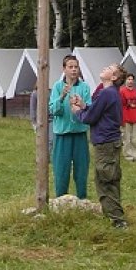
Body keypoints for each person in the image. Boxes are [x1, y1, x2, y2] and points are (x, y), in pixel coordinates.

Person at [71, 63, 127, 228]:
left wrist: (77, 112)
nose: (104, 68)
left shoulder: (106, 93)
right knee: (110, 177)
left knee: (105, 180)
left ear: (114, 77)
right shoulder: (109, 93)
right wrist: (84, 106)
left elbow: (91, 118)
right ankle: (112, 215)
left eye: (109, 68)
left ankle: (117, 220)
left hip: (105, 142)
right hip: (110, 141)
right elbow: (97, 111)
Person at [48, 55, 91, 198]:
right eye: (70, 67)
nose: (73, 70)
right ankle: (61, 199)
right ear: (64, 69)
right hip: (62, 134)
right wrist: (61, 97)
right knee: (61, 169)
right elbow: (54, 110)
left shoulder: (84, 87)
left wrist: (81, 105)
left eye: (76, 67)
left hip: (80, 133)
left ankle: (82, 199)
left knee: (81, 169)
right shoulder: (57, 86)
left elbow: (90, 110)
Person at [119, 73, 136, 161]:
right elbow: (120, 105)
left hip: (135, 117)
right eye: (128, 79)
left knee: (135, 138)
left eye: (132, 79)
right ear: (125, 81)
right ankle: (128, 156)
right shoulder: (122, 91)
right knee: (126, 138)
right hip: (126, 118)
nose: (130, 81)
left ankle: (135, 155)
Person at [29, 85, 53, 156]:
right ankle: (43, 156)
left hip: (51, 119)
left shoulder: (52, 92)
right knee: (42, 140)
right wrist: (34, 123)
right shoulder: (35, 93)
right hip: (40, 121)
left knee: (51, 140)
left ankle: (48, 156)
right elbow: (32, 109)